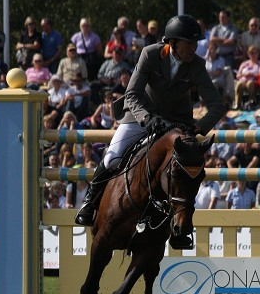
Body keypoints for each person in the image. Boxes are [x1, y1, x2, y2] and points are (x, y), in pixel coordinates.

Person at [73, 14, 226, 229]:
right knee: (112, 158)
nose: (194, 48)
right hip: (139, 116)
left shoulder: (197, 65)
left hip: (175, 124)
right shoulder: (150, 54)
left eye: (196, 43)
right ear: (172, 43)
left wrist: (199, 126)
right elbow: (132, 94)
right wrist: (147, 118)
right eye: (189, 43)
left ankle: (181, 229)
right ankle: (89, 203)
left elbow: (217, 105)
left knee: (185, 169)